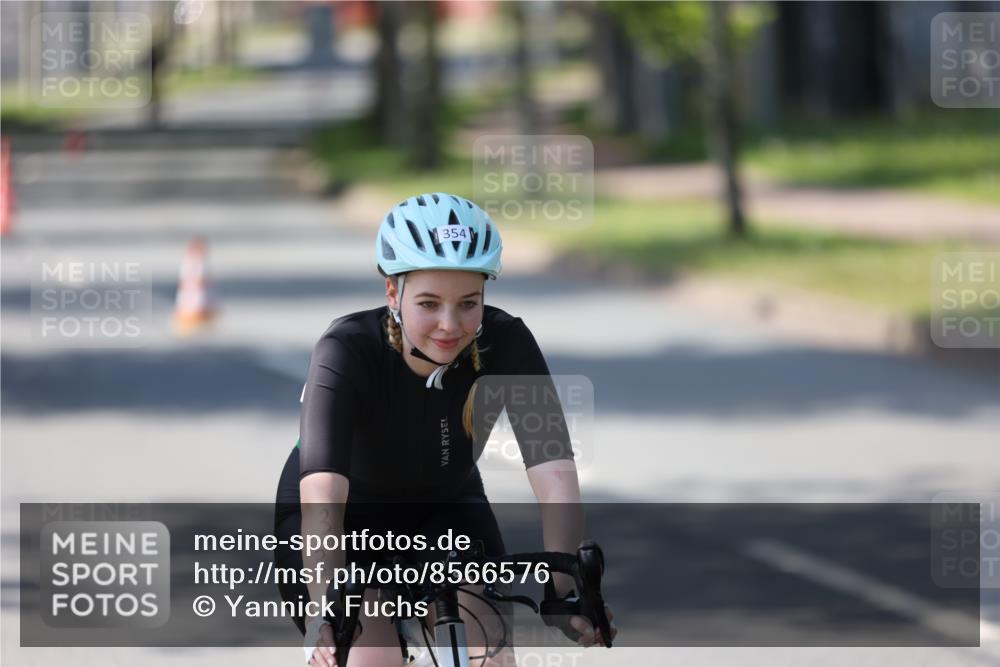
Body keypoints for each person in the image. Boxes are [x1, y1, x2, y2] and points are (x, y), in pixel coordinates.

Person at [273, 193, 616, 666]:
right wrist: (324, 606)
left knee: (493, 655)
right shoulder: (346, 348)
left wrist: (563, 589)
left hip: (446, 508)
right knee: (373, 661)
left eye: (468, 303)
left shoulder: (507, 341)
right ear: (393, 293)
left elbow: (554, 470)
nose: (449, 325)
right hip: (341, 522)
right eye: (428, 303)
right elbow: (322, 494)